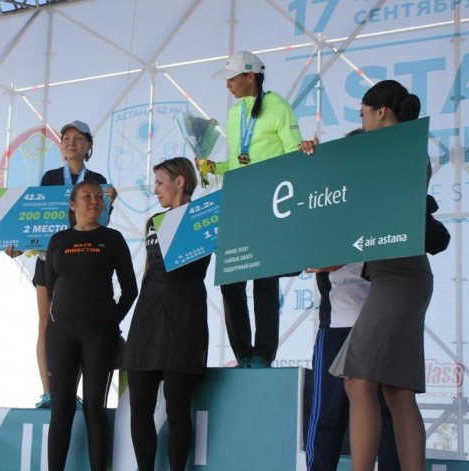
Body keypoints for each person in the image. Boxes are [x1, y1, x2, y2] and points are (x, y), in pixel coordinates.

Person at [329, 79, 433, 471]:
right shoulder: (402, 151)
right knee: (397, 390)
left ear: (380, 112)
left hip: (399, 275)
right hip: (402, 275)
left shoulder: (400, 152)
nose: (362, 123)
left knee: (358, 381)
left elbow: (377, 212)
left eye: (362, 115)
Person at [5, 120, 117, 408]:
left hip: (83, 261)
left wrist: (110, 203)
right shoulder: (51, 178)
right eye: (66, 138)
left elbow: (101, 222)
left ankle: (69, 393)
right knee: (46, 324)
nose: (71, 143)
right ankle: (48, 391)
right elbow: (38, 220)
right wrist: (20, 245)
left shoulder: (98, 180)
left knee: (75, 326)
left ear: (89, 145)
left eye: (78, 138)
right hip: (50, 260)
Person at [205, 51, 305, 368]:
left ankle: (263, 353)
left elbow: (294, 154)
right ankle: (242, 353)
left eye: (232, 78)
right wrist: (214, 167)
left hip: (270, 204)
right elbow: (239, 162)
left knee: (265, 281)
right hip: (239, 203)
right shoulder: (235, 113)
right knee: (231, 280)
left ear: (251, 76)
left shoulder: (278, 107)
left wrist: (304, 151)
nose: (228, 85)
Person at [122, 157, 211, 471]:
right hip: (148, 317)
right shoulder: (152, 222)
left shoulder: (204, 216)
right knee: (139, 408)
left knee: (177, 409)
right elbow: (148, 270)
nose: (156, 189)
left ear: (180, 181)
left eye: (160, 182)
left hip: (185, 316)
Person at [45, 179, 138, 471]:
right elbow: (51, 288)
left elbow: (130, 289)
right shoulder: (58, 240)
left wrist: (110, 320)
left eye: (99, 196)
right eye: (86, 196)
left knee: (94, 408)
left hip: (100, 334)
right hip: (61, 334)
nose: (94, 201)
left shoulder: (112, 238)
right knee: (60, 409)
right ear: (72, 205)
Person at [304, 263, 399, 471]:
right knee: (328, 413)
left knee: (389, 412)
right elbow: (291, 261)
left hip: (381, 321)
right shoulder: (319, 238)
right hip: (336, 325)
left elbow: (437, 243)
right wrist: (310, 262)